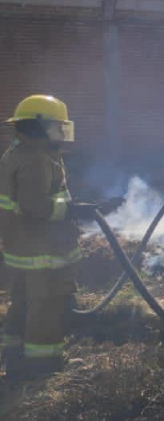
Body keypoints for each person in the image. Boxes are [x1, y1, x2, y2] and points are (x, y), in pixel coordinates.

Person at [0, 95, 96, 378]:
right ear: (41, 127)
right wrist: (71, 210)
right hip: (43, 251)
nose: (61, 132)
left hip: (22, 248)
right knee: (46, 305)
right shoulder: (37, 159)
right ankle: (42, 365)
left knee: (23, 302)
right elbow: (34, 207)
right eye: (57, 126)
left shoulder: (17, 152)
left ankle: (15, 357)